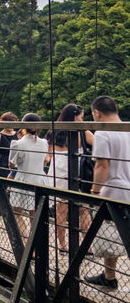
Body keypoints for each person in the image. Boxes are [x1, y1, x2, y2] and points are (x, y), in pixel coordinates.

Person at [84, 96, 130, 290]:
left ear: (97, 112)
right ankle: (108, 276)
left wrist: (95, 192)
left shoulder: (103, 132)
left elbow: (102, 165)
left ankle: (110, 276)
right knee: (116, 234)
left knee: (110, 233)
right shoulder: (128, 128)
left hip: (114, 190)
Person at [45, 103, 95, 253]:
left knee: (61, 210)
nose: (82, 119)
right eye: (81, 116)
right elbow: (100, 145)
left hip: (58, 169)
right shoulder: (82, 131)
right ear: (75, 116)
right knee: (84, 210)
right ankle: (88, 247)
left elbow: (48, 155)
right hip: (75, 168)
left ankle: (63, 246)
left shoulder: (53, 130)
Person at [8, 113, 50, 243]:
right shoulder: (44, 143)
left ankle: (26, 239)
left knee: (17, 212)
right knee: (34, 215)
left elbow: (11, 165)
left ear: (23, 126)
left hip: (22, 179)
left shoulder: (17, 143)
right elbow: (45, 160)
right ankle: (36, 244)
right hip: (40, 180)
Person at [0, 112, 18, 177]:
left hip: (15, 163)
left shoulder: (18, 134)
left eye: (12, 122)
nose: (10, 125)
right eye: (8, 122)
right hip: (3, 164)